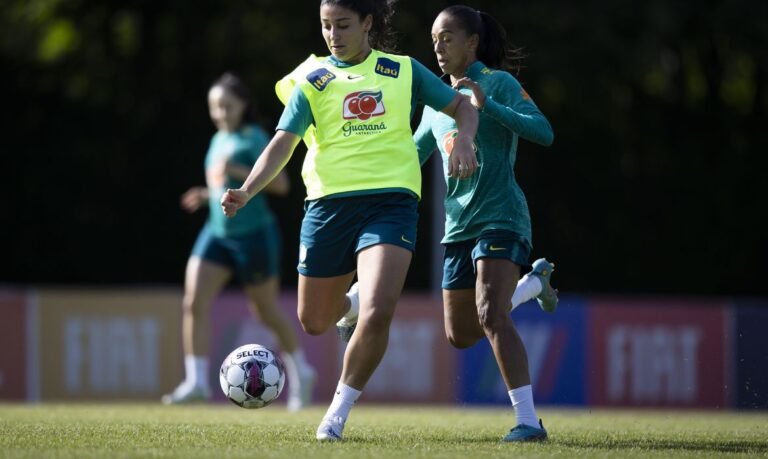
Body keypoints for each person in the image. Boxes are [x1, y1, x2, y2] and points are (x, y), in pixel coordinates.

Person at [221, 0, 479, 441]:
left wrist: (466, 142)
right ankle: (349, 304)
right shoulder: (313, 82)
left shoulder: (403, 71)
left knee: (379, 311)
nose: (333, 35)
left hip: (390, 202)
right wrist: (248, 189)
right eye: (325, 26)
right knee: (314, 320)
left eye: (342, 25)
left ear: (367, 23)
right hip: (327, 207)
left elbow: (463, 106)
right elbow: (283, 143)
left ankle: (336, 415)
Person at [412, 5, 556, 442]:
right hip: (458, 228)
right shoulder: (436, 101)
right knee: (460, 335)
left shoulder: (499, 83)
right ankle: (533, 286)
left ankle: (529, 421)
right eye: (434, 38)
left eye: (447, 37)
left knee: (491, 313)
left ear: (472, 41)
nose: (437, 47)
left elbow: (544, 132)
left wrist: (488, 105)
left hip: (502, 216)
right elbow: (411, 156)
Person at [162, 72, 316, 412]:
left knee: (264, 311)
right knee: (193, 303)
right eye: (214, 108)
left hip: (254, 236)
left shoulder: (255, 137)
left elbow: (281, 186)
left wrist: (236, 168)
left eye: (226, 106)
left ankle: (301, 370)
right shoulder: (217, 138)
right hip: (217, 233)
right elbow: (222, 186)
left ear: (242, 105)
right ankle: (197, 382)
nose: (220, 114)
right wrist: (207, 195)